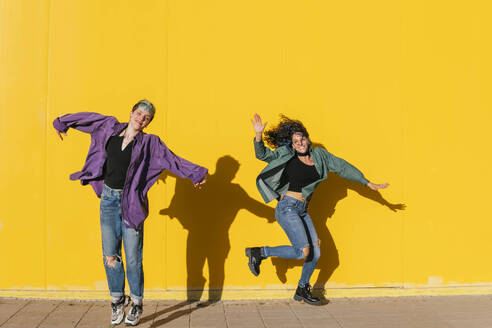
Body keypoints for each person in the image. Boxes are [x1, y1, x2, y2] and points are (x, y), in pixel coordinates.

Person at [53, 100, 207, 326]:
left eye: (146, 118)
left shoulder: (150, 143)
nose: (141, 119)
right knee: (110, 255)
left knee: (134, 258)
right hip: (108, 200)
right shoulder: (109, 127)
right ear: (131, 112)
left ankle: (136, 303)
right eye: (139, 113)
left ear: (148, 123)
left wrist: (196, 174)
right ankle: (117, 301)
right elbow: (86, 118)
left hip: (131, 204)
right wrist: (62, 123)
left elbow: (172, 160)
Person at [245, 114, 388, 305]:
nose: (300, 143)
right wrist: (258, 135)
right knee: (302, 251)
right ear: (292, 145)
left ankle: (302, 289)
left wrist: (366, 182)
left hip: (302, 210)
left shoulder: (320, 156)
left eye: (302, 138)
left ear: (307, 139)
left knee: (315, 253)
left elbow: (342, 166)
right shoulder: (286, 154)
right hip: (287, 208)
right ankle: (260, 252)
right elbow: (262, 155)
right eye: (296, 141)